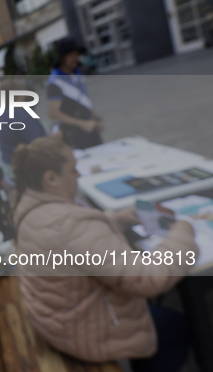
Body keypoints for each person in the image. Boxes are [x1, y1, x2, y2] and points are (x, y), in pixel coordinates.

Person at [11, 136, 198, 371]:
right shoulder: (73, 224)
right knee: (179, 327)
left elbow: (71, 241)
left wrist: (113, 219)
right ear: (51, 178)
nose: (78, 176)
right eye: (72, 170)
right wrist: (183, 233)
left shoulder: (29, 206)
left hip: (57, 319)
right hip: (87, 333)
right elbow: (148, 279)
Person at [47, 37, 103, 149]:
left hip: (89, 127)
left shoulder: (76, 72)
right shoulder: (55, 82)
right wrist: (81, 123)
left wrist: (97, 118)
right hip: (72, 134)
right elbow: (53, 113)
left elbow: (84, 100)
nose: (75, 58)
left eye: (76, 55)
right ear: (62, 58)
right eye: (71, 55)